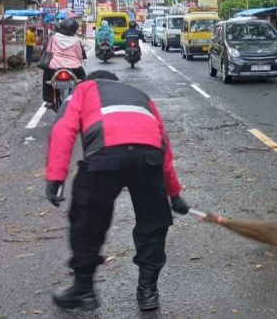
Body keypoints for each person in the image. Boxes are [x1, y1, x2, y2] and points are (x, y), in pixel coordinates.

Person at [44, 70, 189, 312]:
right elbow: (164, 147)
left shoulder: (83, 90)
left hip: (105, 156)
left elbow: (63, 128)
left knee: (87, 220)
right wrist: (173, 194)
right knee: (153, 224)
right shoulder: (141, 96)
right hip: (148, 156)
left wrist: (55, 177)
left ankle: (83, 289)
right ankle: (148, 292)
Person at [42, 18, 86, 106]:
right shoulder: (76, 40)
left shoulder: (54, 38)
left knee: (47, 79)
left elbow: (48, 50)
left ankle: (49, 100)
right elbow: (80, 55)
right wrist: (80, 60)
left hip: (54, 66)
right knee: (83, 78)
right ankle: (83, 98)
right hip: (73, 67)